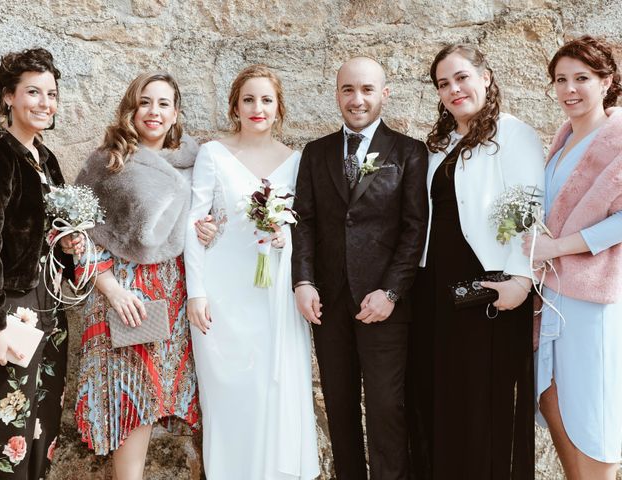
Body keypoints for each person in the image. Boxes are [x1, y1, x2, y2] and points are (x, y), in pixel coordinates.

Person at [406, 44, 545, 479]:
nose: (453, 89)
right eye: (444, 84)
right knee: (440, 397)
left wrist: (520, 281)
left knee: (481, 403)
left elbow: (524, 210)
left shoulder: (512, 133)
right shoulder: (441, 143)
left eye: (461, 77)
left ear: (485, 76)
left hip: (488, 285)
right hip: (436, 285)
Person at [292, 56, 428, 479]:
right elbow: (305, 222)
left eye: (367, 89)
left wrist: (390, 292)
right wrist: (303, 280)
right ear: (337, 95)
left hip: (384, 305)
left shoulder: (408, 152)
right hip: (328, 303)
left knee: (388, 406)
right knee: (339, 403)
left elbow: (414, 230)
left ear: (384, 94)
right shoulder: (315, 154)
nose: (357, 99)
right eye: (348, 90)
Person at [184, 64, 319, 480]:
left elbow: (308, 227)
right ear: (235, 107)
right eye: (248, 100)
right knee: (227, 393)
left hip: (274, 291)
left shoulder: (297, 161)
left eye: (266, 100)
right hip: (223, 289)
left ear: (278, 108)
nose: (257, 108)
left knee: (272, 389)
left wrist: (286, 239)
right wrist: (196, 292)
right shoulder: (213, 154)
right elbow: (195, 222)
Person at [73, 72, 200, 480]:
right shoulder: (106, 161)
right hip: (123, 296)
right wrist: (112, 291)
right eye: (145, 102)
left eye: (164, 104)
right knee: (132, 405)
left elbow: (205, 227)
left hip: (175, 297)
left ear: (176, 113)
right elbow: (78, 233)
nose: (154, 112)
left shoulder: (194, 162)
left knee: (167, 400)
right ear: (131, 107)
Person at [524, 36, 622, 480]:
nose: (570, 89)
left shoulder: (616, 140)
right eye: (561, 80)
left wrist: (558, 248)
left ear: (607, 82)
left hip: (591, 296)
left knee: (594, 406)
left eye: (582, 78)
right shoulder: (561, 142)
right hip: (553, 293)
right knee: (553, 394)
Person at [0, 48, 80, 479]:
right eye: (33, 92)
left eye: (52, 94)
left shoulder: (46, 160)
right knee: (4, 426)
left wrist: (68, 246)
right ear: (8, 97)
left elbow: (44, 235)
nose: (45, 103)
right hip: (8, 311)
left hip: (48, 310)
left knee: (41, 422)